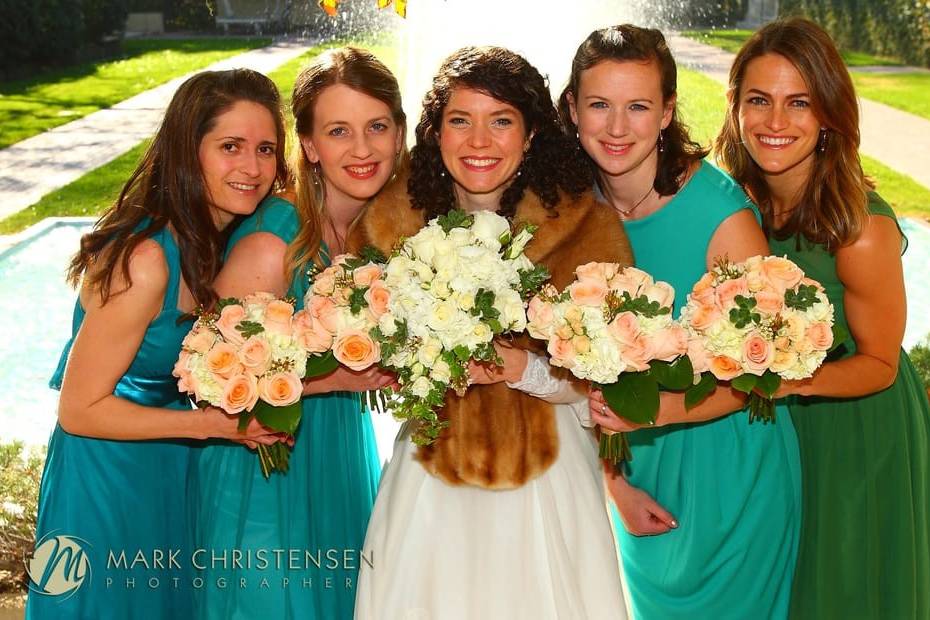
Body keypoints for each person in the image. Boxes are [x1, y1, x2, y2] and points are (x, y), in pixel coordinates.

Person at [349, 45, 630, 619]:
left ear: (530, 136)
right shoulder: (386, 229)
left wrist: (522, 369)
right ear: (436, 132)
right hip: (432, 478)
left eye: (501, 121)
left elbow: (607, 383)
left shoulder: (587, 229)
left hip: (547, 481)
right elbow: (368, 363)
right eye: (461, 121)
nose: (479, 142)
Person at [26, 69, 288, 620]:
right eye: (230, 147)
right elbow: (78, 409)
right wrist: (212, 426)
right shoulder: (146, 260)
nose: (253, 167)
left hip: (167, 464)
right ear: (187, 152)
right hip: (105, 474)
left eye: (266, 148)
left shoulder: (212, 240)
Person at [560, 25, 801, 619]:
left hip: (732, 474)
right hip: (641, 468)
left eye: (638, 106)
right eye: (599, 105)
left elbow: (761, 376)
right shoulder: (571, 206)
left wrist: (656, 413)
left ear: (667, 111)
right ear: (572, 108)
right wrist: (614, 486)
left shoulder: (723, 220)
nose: (617, 128)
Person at [715, 17, 930, 618]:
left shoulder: (859, 226)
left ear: (829, 113)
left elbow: (882, 364)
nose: (775, 123)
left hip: (855, 426)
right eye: (758, 101)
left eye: (799, 103)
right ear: (735, 108)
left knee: (839, 586)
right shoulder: (735, 204)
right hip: (772, 418)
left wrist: (771, 381)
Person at [187, 47, 402, 620]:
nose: (362, 149)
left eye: (377, 127)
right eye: (339, 131)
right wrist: (331, 381)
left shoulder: (373, 234)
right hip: (261, 473)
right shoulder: (274, 240)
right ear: (309, 145)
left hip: (336, 455)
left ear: (398, 134)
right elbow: (209, 379)